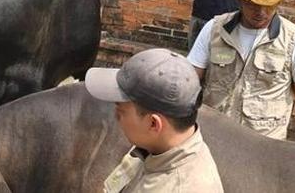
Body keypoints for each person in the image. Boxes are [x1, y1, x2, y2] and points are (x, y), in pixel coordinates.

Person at [188, 0, 295, 143]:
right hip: (212, 136)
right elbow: (190, 79)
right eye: (253, 4)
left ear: (279, 1)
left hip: (263, 145)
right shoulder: (214, 29)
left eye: (269, 5)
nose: (261, 11)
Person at [86, 48, 223, 193]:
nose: (116, 117)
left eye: (120, 111)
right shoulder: (156, 148)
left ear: (153, 124)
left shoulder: (183, 186)